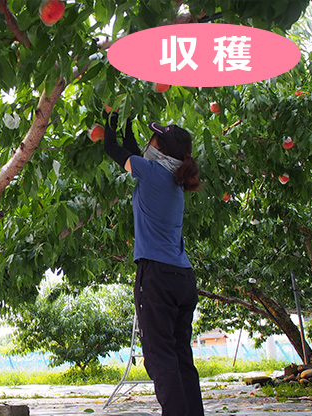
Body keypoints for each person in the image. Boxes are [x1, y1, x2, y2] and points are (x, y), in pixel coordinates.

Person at [102, 110, 204, 416]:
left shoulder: (151, 172)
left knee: (160, 359)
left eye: (153, 139)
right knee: (180, 357)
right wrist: (127, 120)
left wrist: (109, 118)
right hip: (182, 278)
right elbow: (133, 152)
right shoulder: (171, 179)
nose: (148, 143)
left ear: (158, 149)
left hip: (158, 277)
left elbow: (114, 149)